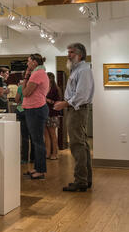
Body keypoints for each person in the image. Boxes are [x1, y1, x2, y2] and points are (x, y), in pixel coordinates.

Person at [54, 43, 94, 192]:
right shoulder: (77, 69)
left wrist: (64, 104)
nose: (68, 55)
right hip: (75, 109)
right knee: (82, 144)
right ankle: (85, 179)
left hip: (77, 110)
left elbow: (81, 95)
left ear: (80, 54)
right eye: (68, 52)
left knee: (77, 145)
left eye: (71, 52)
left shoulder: (83, 70)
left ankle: (81, 180)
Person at [22, 54, 49, 180]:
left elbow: (25, 92)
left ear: (34, 62)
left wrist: (26, 77)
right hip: (34, 109)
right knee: (36, 140)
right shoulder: (39, 72)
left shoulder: (38, 74)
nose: (27, 64)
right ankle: (38, 168)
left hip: (36, 109)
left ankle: (41, 170)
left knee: (38, 141)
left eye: (28, 61)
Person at [15, 79, 35, 164]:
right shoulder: (35, 87)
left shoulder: (20, 87)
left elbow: (16, 99)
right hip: (33, 111)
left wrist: (21, 102)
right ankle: (33, 158)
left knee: (24, 137)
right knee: (33, 137)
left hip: (23, 111)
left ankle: (24, 158)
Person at [45, 72, 62, 160]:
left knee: (53, 134)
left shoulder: (56, 89)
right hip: (44, 113)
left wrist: (48, 100)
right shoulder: (44, 88)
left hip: (53, 114)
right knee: (46, 134)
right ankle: (47, 153)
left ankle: (55, 153)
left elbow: (58, 102)